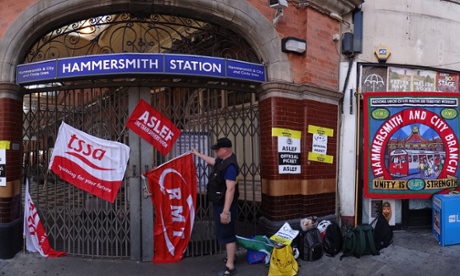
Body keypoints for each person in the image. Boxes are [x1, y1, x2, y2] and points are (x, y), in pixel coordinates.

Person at [192, 137, 239, 276]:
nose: (216, 151)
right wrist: (198, 154)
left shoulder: (230, 166)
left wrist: (225, 212)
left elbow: (231, 190)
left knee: (227, 233)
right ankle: (232, 256)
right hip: (219, 203)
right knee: (225, 231)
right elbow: (213, 161)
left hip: (225, 206)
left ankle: (230, 266)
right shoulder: (223, 161)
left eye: (218, 149)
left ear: (226, 150)